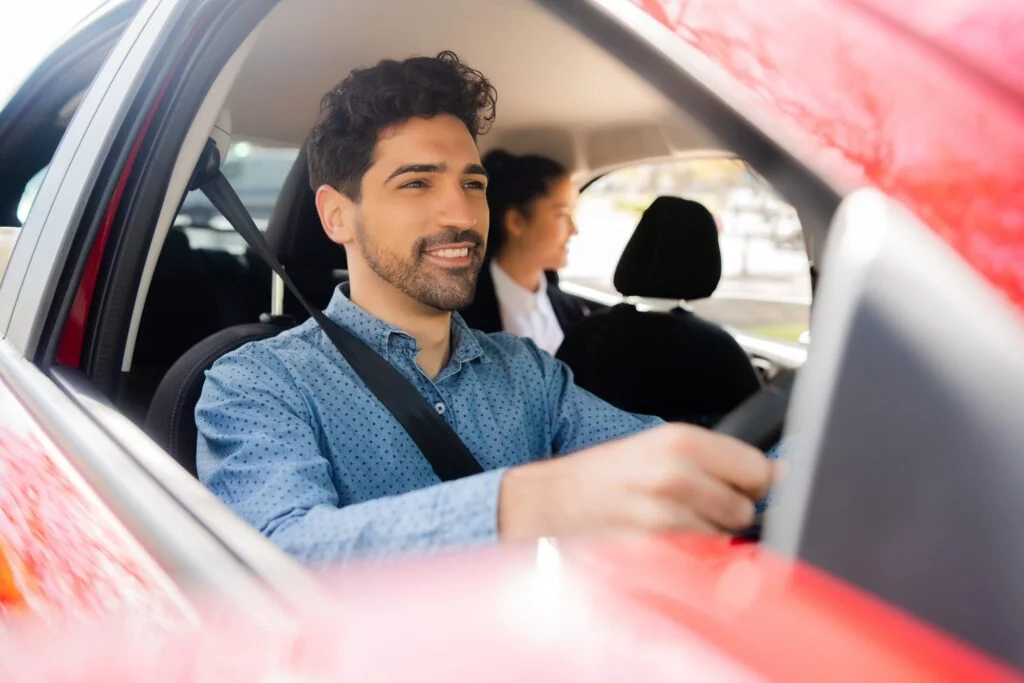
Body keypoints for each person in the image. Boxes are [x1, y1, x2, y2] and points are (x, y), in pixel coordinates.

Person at [195, 51, 778, 565]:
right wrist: (527, 501)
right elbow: (278, 558)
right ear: (336, 215)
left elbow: (670, 467)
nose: (462, 214)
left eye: (472, 184)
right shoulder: (256, 383)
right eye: (417, 183)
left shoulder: (526, 373)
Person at [459, 150, 586, 354]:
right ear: (515, 221)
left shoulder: (572, 310)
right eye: (562, 215)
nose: (574, 230)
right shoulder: (460, 313)